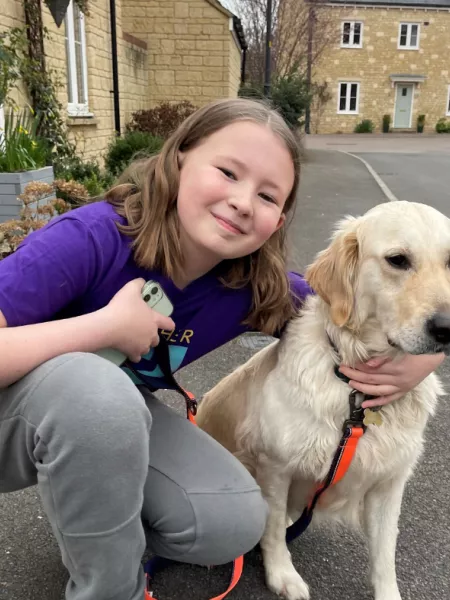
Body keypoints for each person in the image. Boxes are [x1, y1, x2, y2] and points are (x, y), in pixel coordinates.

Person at [0, 98, 443, 600]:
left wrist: (424, 357)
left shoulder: (248, 283)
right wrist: (102, 328)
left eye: (268, 195)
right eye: (228, 172)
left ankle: (99, 514)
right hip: (19, 420)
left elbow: (342, 310)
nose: (242, 201)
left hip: (106, 425)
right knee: (96, 392)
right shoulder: (91, 238)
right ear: (178, 159)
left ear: (277, 221)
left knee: (232, 520)